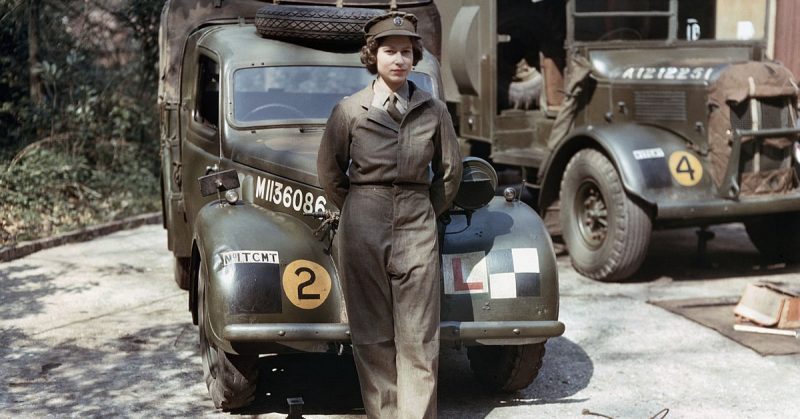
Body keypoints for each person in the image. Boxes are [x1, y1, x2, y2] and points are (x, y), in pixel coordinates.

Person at [316, 11, 462, 419]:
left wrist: (425, 211)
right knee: (372, 334)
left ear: (415, 59)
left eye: (406, 52)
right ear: (372, 56)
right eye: (389, 51)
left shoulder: (433, 111)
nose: (399, 59)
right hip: (363, 221)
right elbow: (330, 170)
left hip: (417, 221)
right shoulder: (350, 110)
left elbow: (451, 172)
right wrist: (356, 212)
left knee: (418, 335)